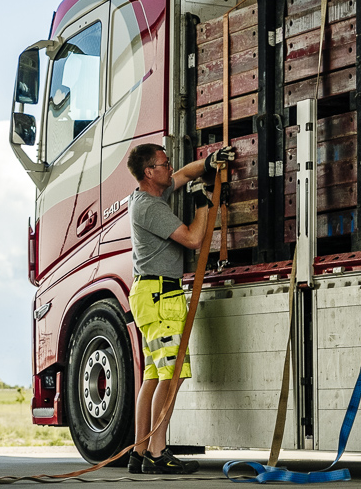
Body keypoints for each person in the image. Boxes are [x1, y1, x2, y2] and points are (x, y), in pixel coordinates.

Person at [125, 142, 235, 474]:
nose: (169, 167)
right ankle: (158, 454)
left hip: (149, 295)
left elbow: (186, 173)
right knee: (171, 377)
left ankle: (139, 452)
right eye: (163, 163)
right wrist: (205, 201)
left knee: (153, 376)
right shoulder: (150, 207)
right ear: (149, 172)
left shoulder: (149, 195)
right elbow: (192, 239)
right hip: (162, 298)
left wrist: (209, 163)